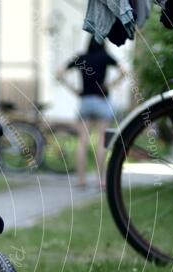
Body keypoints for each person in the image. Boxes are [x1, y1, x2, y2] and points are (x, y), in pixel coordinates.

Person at [57, 37, 127, 188]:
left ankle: (81, 180)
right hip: (102, 101)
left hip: (85, 102)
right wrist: (110, 85)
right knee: (103, 141)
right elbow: (124, 71)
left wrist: (74, 90)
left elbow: (59, 72)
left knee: (82, 142)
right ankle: (101, 180)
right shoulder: (106, 56)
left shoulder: (81, 57)